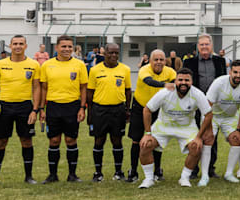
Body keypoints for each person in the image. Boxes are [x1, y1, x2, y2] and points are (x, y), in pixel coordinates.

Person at [0, 35, 40, 187]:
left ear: (25, 46)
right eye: (15, 44)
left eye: (21, 44)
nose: (18, 46)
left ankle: (29, 177)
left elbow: (37, 88)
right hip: (4, 107)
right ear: (10, 46)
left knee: (26, 140)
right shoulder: (0, 64)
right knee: (0, 142)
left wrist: (35, 110)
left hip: (25, 106)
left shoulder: (34, 65)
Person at [137, 68, 210, 189]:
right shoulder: (165, 92)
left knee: (196, 147)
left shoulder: (197, 94)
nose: (183, 83)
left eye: (187, 80)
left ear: (192, 82)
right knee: (145, 144)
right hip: (163, 126)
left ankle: (185, 177)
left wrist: (198, 137)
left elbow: (208, 114)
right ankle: (149, 179)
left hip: (186, 127)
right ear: (175, 81)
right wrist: (148, 133)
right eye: (180, 80)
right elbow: (147, 109)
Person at [37, 35, 88, 183]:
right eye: (64, 46)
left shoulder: (79, 65)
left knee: (71, 140)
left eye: (69, 47)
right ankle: (52, 175)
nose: (67, 49)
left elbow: (83, 88)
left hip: (72, 106)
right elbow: (43, 88)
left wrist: (82, 108)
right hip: (53, 106)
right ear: (57, 47)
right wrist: (41, 108)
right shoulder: (47, 65)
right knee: (54, 140)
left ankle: (72, 175)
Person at [201, 59, 240, 184]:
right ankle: (204, 176)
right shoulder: (219, 82)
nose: (238, 75)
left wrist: (238, 129)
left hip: (230, 117)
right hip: (212, 115)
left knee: (237, 140)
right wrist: (207, 128)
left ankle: (229, 173)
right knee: (208, 139)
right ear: (230, 72)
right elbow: (207, 106)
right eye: (235, 72)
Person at [126, 49, 176, 182]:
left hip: (158, 109)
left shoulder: (170, 72)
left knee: (157, 140)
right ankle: (133, 171)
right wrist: (165, 85)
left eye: (161, 59)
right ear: (150, 60)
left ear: (165, 61)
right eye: (156, 59)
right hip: (140, 106)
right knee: (136, 140)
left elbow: (177, 84)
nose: (159, 62)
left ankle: (157, 171)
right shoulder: (144, 69)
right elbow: (149, 81)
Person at [86, 43, 131, 183]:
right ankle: (98, 173)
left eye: (116, 53)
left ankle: (118, 172)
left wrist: (127, 110)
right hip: (100, 110)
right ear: (104, 53)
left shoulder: (125, 69)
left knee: (117, 140)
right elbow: (90, 92)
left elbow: (128, 91)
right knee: (99, 140)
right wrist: (90, 112)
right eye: (111, 53)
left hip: (118, 110)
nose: (113, 55)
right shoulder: (95, 70)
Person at [183, 34, 227, 177]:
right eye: (201, 45)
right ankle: (193, 169)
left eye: (206, 44)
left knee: (211, 137)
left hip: (214, 106)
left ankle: (210, 169)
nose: (204, 47)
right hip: (195, 105)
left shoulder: (220, 61)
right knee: (195, 136)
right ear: (198, 46)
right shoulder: (189, 63)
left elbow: (223, 82)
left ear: (211, 45)